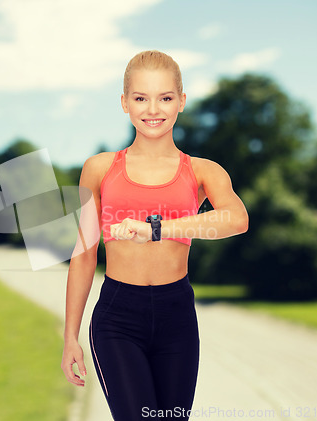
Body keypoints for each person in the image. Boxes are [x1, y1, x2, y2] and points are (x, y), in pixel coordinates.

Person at [61, 50, 249, 420]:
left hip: (176, 316)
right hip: (117, 318)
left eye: (165, 97)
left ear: (181, 101)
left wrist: (156, 230)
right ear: (124, 103)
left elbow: (236, 219)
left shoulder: (202, 171)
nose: (153, 109)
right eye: (140, 98)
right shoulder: (99, 169)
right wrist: (70, 337)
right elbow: (83, 256)